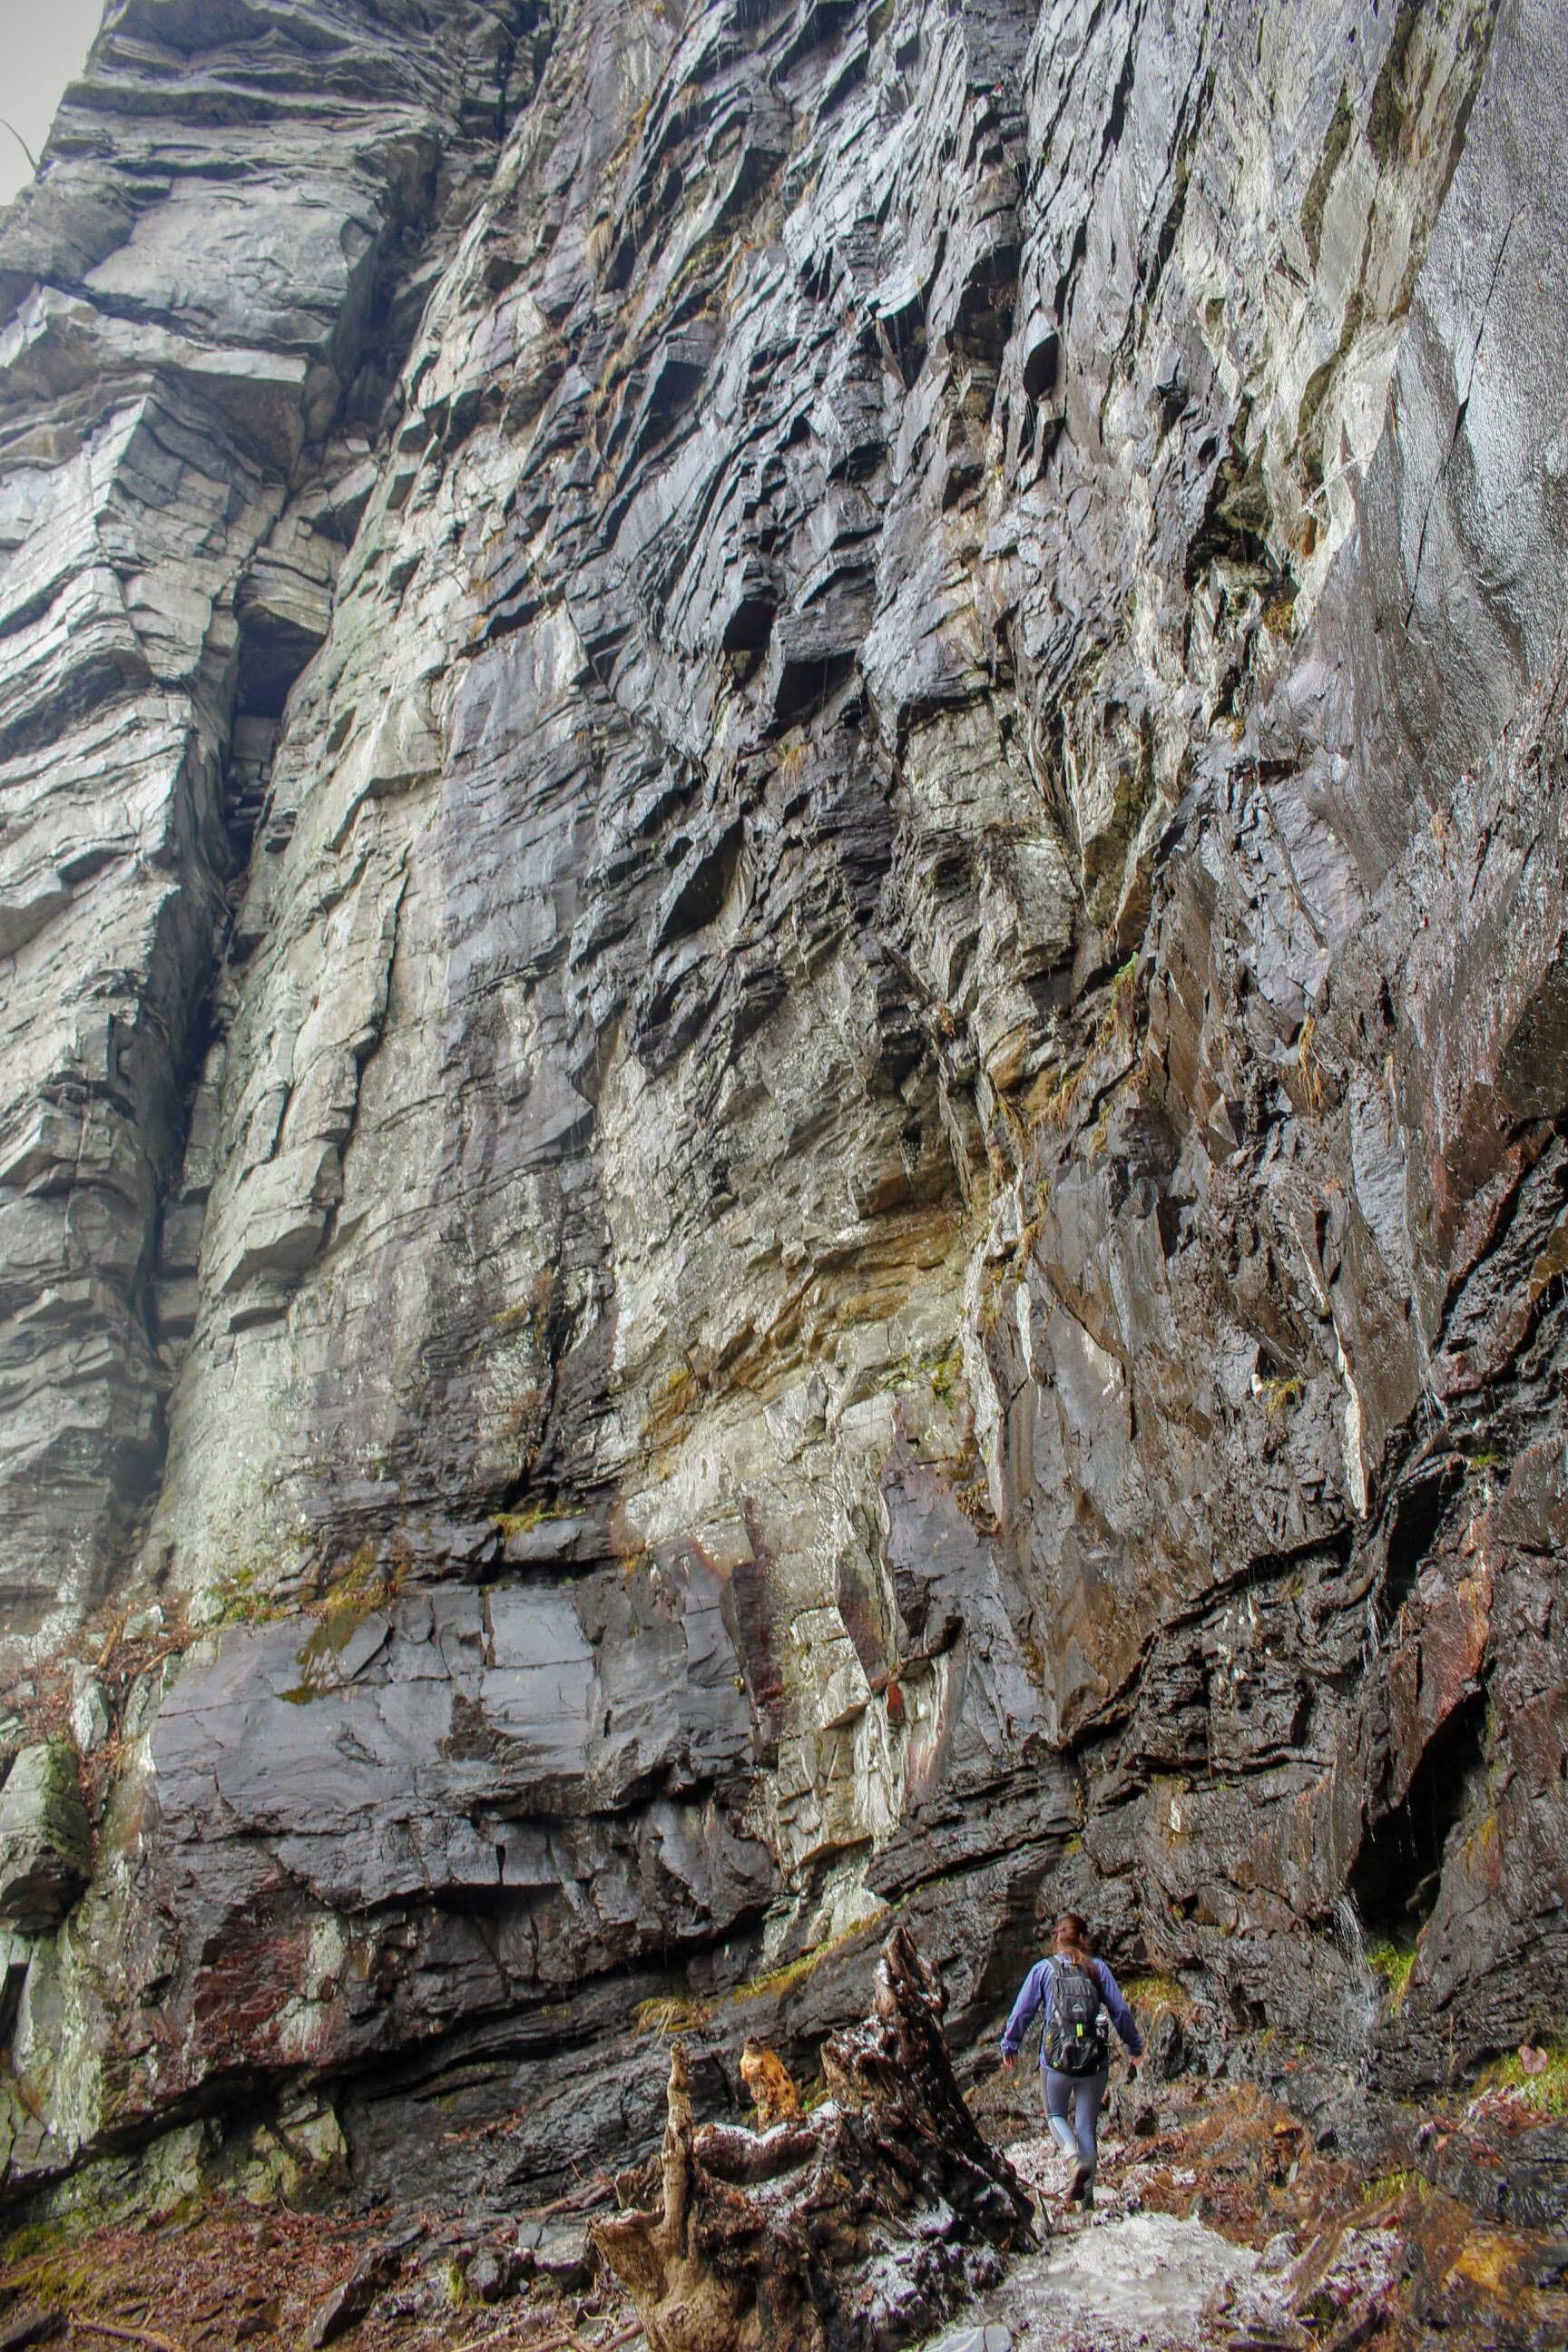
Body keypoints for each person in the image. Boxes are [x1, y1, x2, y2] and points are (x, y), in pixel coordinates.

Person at [999, 1912, 1142, 2206]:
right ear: (1083, 1938)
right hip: (1094, 2061)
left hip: (1056, 2061)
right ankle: (1086, 2202)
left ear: (1057, 1939)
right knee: (1086, 2126)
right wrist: (1133, 2046)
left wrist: (1010, 2044)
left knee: (1055, 2116)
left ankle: (1072, 2159)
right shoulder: (1098, 1969)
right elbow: (1120, 2011)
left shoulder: (1043, 1970)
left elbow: (1022, 2012)